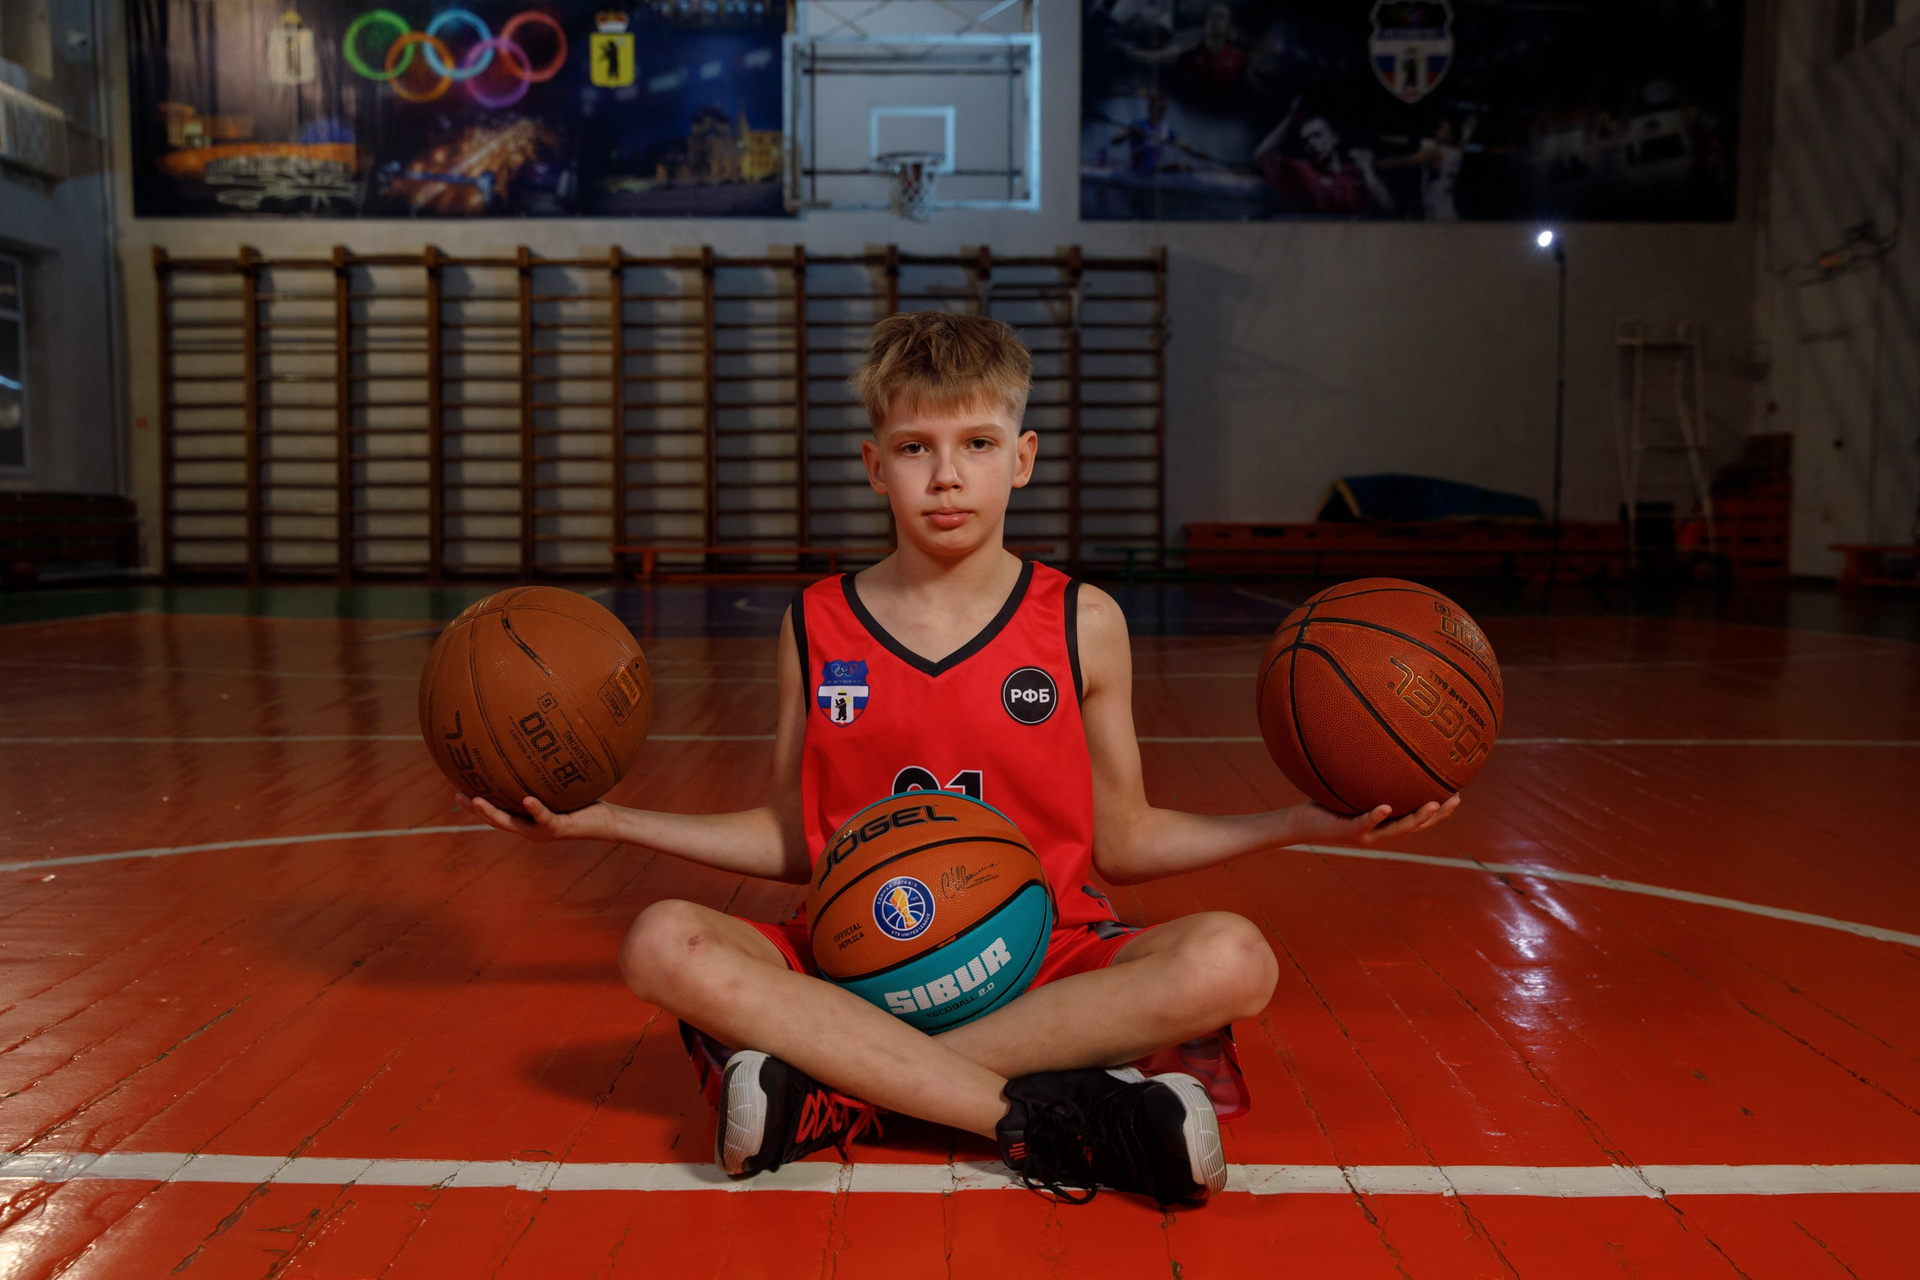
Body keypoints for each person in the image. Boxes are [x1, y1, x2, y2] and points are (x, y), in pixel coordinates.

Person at [457, 311, 1457, 1206]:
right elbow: (795, 838)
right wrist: (609, 820)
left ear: (1021, 457)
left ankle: (838, 1086)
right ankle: (1051, 1116)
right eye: (915, 447)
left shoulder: (1082, 622)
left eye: (976, 443)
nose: (946, 475)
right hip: (857, 952)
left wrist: (1297, 822)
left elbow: (1124, 839)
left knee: (1233, 956)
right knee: (661, 941)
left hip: (1044, 951)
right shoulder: (815, 623)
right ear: (873, 464)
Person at [1254, 95, 1394, 216]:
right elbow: (1262, 156)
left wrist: (1368, 172)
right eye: (1306, 140)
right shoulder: (1300, 171)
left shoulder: (1354, 173)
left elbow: (1388, 209)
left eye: (1317, 135)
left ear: (1334, 138)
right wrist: (1291, 119)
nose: (1312, 143)